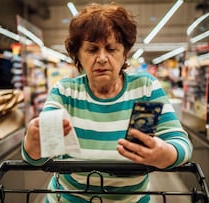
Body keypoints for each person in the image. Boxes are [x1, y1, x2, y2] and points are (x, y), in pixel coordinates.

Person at [22, 3, 192, 202]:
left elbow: (181, 144)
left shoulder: (144, 89)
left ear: (124, 53)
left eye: (111, 49)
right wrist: (33, 144)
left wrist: (165, 154)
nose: (102, 58)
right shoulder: (65, 92)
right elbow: (38, 157)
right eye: (92, 50)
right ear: (78, 55)